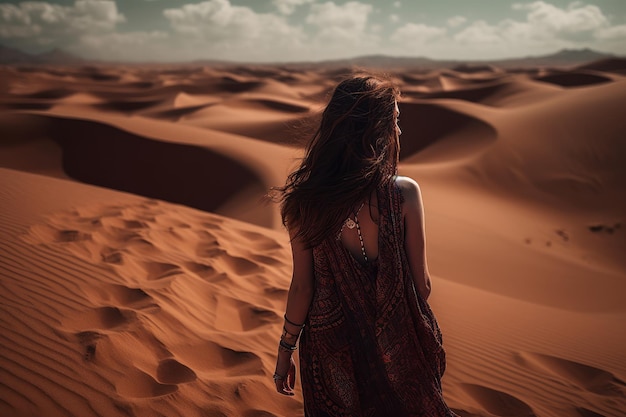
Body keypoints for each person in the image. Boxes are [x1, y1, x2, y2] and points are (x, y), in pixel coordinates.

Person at [273, 74, 457, 417]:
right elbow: (423, 287)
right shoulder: (403, 194)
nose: (399, 132)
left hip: (331, 355)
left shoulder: (304, 203)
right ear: (376, 130)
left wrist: (286, 350)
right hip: (398, 351)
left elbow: (302, 287)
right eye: (395, 122)